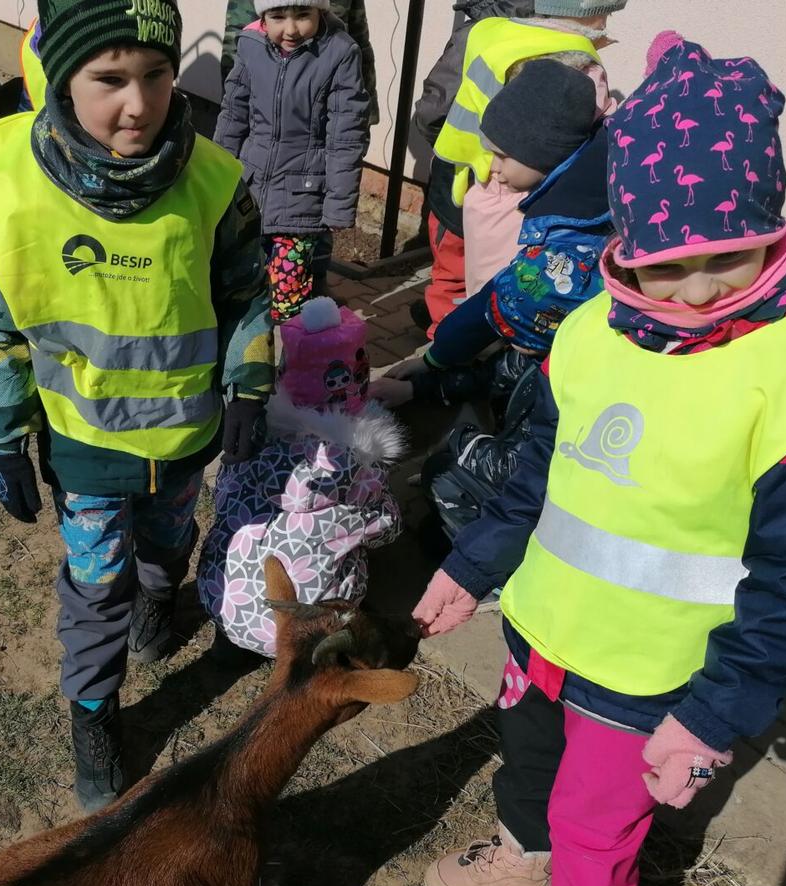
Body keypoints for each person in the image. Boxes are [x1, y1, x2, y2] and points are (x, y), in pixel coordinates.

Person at [412, 39, 786, 886]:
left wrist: (714, 714)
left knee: (602, 820)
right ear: (624, 238)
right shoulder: (594, 327)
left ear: (774, 223)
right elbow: (537, 472)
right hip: (547, 625)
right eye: (666, 263)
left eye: (730, 255)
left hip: (652, 676)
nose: (699, 291)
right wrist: (476, 565)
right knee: (531, 761)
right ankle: (528, 848)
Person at [0, 0, 275, 814]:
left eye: (156, 76)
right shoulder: (9, 194)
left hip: (182, 439)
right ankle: (94, 712)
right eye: (109, 79)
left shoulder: (211, 179)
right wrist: (2, 437)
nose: (137, 104)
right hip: (85, 446)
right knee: (95, 585)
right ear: (62, 77)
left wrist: (249, 381)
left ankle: (160, 604)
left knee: (168, 545)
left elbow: (245, 290)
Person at [376, 59, 612, 539]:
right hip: (549, 392)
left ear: (543, 150)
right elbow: (504, 359)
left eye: (502, 156)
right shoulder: (582, 202)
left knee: (456, 461)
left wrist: (436, 358)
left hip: (559, 432)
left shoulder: (561, 264)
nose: (493, 169)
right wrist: (424, 377)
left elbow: (495, 311)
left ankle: (483, 546)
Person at [198, 297, 404, 659]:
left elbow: (222, 497)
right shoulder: (356, 468)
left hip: (224, 605)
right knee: (359, 540)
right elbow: (388, 527)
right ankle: (329, 635)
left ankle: (230, 645)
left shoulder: (253, 446)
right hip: (303, 631)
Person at [434, 1, 621, 304]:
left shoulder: (495, 36)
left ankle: (462, 327)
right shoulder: (583, 67)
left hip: (473, 176)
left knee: (472, 284)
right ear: (591, 15)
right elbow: (597, 130)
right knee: (512, 289)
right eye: (607, 14)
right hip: (522, 193)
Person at [215, 3, 371, 322]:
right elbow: (233, 114)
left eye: (302, 16)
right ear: (262, 16)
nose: (290, 30)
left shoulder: (339, 52)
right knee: (238, 287)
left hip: (302, 197)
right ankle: (246, 362)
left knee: (286, 300)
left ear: (319, 12)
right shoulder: (250, 45)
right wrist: (214, 175)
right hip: (250, 190)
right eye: (277, 17)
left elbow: (346, 133)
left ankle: (288, 364)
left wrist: (339, 204)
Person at [411, 0, 536, 337]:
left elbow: (433, 108)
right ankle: (486, 334)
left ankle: (444, 345)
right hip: (517, 177)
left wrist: (443, 142)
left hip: (461, 172)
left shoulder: (477, 34)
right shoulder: (551, 35)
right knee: (499, 261)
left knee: (452, 258)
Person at [221, 0, 379, 125]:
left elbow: (359, 45)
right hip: (265, 127)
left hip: (329, 120)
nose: (291, 30)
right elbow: (239, 51)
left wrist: (365, 118)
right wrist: (236, 120)